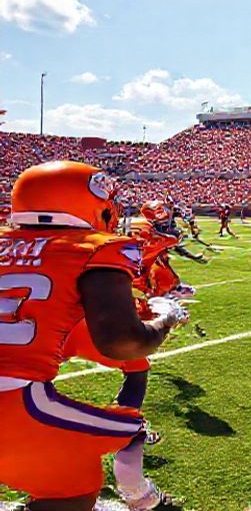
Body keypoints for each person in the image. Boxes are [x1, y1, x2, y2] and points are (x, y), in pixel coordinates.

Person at [0, 161, 189, 510]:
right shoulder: (97, 246)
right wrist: (167, 318)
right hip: (15, 405)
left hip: (18, 392)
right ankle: (141, 497)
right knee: (110, 451)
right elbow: (123, 342)